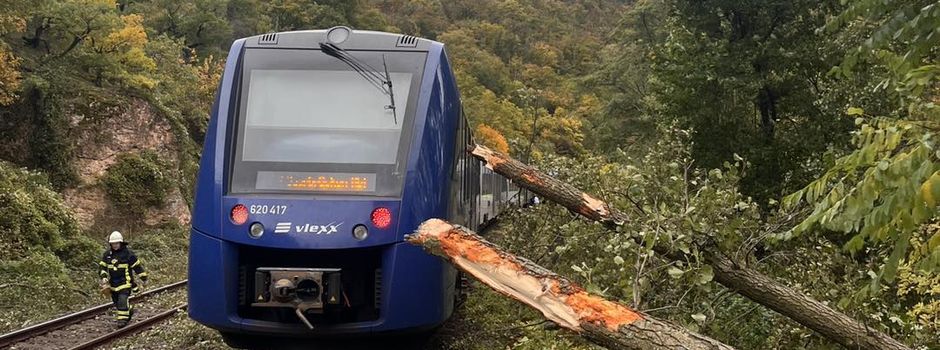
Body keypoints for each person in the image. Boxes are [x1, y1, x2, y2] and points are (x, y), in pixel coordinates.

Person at [98, 231, 148, 327]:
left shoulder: (128, 254)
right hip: (113, 284)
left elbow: (137, 267)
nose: (115, 245)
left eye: (117, 243)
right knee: (117, 302)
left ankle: (122, 321)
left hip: (125, 283)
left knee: (122, 300)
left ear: (121, 243)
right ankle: (129, 310)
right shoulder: (107, 255)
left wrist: (144, 279)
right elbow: (102, 267)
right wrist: (103, 277)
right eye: (113, 244)